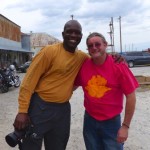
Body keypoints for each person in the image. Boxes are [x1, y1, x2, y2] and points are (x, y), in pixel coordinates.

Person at [13, 20, 123, 150]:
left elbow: (98, 56)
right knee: (30, 145)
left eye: (77, 33)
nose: (73, 35)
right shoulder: (49, 52)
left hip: (63, 110)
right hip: (40, 106)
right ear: (63, 34)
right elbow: (28, 82)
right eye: (69, 32)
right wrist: (22, 111)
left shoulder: (82, 58)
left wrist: (115, 57)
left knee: (58, 145)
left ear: (81, 37)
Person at [74, 32, 139, 150]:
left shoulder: (118, 65)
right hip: (90, 120)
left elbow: (131, 96)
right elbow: (72, 85)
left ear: (105, 45)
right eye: (90, 45)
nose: (94, 48)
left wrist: (125, 126)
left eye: (97, 44)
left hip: (112, 122)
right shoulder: (84, 66)